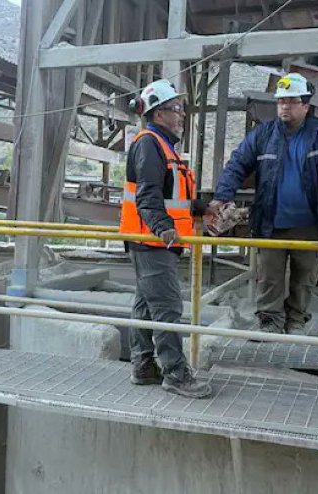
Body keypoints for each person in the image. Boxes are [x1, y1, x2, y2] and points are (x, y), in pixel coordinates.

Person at [208, 73, 318, 336]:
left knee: (304, 278)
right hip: (272, 222)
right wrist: (222, 195)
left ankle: (296, 320)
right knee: (269, 277)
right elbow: (237, 163)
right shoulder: (263, 135)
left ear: (306, 105)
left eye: (291, 102)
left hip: (310, 223)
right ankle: (270, 320)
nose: (284, 107)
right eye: (281, 102)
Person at [119, 79, 212, 399]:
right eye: (176, 109)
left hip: (153, 240)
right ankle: (175, 373)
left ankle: (144, 366)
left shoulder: (163, 145)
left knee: (146, 305)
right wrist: (163, 228)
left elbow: (175, 196)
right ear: (158, 114)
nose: (182, 114)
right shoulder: (149, 144)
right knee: (168, 306)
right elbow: (148, 195)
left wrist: (204, 208)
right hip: (153, 241)